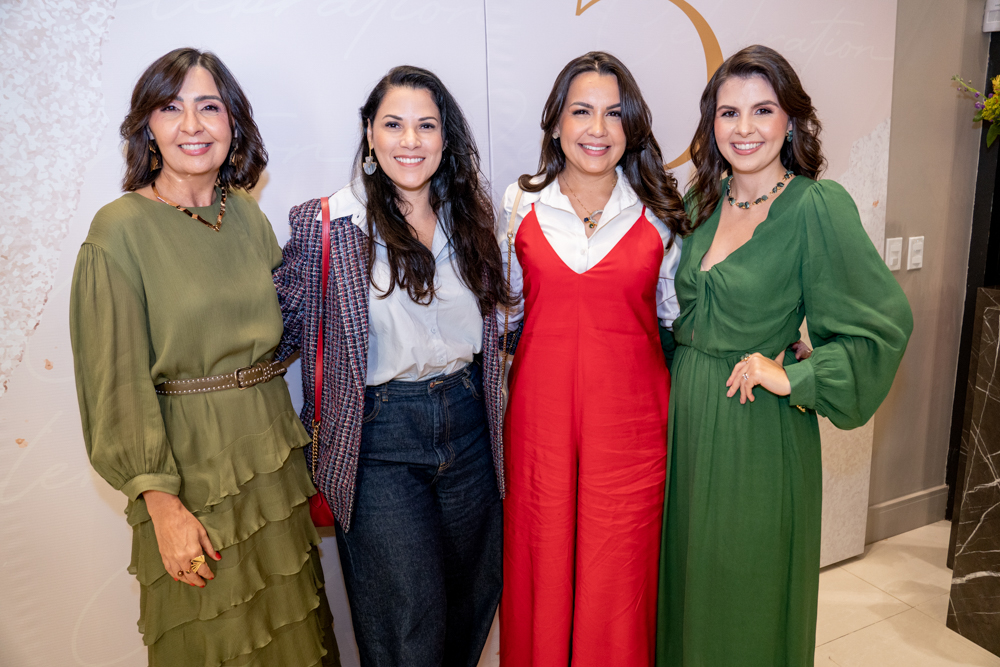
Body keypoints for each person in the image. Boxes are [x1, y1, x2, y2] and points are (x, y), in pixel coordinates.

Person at [69, 48, 340, 666]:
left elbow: (292, 328)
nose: (192, 125)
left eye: (209, 107)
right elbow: (113, 384)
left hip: (272, 461)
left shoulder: (245, 213)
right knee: (214, 640)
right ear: (148, 128)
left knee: (294, 634)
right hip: (189, 471)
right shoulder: (118, 231)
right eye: (171, 108)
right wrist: (161, 504)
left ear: (233, 123)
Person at [655, 45, 913, 666]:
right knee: (687, 587)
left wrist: (795, 372)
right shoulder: (699, 203)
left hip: (757, 435)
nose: (744, 129)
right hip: (685, 423)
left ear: (790, 120)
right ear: (710, 124)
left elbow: (882, 327)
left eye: (762, 110)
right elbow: (668, 312)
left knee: (747, 595)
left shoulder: (816, 207)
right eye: (728, 113)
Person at [272, 66, 510, 667]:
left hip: (470, 426)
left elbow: (507, 321)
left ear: (446, 139)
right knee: (406, 630)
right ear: (370, 136)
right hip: (378, 438)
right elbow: (275, 333)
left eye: (426, 126)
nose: (411, 140)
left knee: (469, 609)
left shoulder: (474, 221)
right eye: (395, 125)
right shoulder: (328, 225)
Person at [498, 51, 689, 667]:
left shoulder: (660, 213)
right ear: (556, 123)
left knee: (620, 575)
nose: (597, 130)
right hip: (539, 425)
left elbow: (677, 318)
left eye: (613, 113)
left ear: (632, 126)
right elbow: (503, 314)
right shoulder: (519, 205)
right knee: (541, 563)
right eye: (581, 112)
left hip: (632, 429)